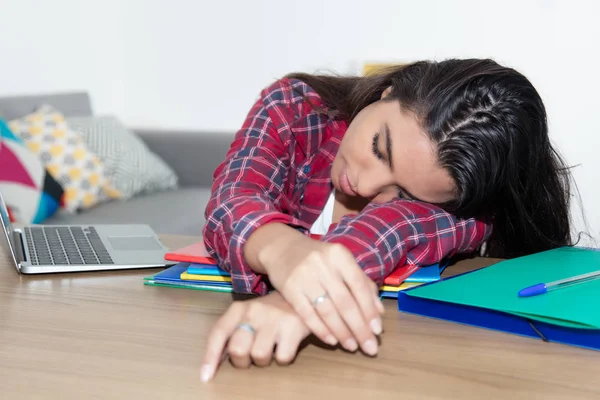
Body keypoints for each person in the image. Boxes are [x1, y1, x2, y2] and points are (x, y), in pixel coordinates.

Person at [198, 58, 573, 381]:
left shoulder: (463, 205)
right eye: (380, 149)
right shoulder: (294, 108)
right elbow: (234, 198)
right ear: (386, 92)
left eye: (405, 193)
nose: (365, 184)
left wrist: (299, 301)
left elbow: (392, 226)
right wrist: (284, 251)